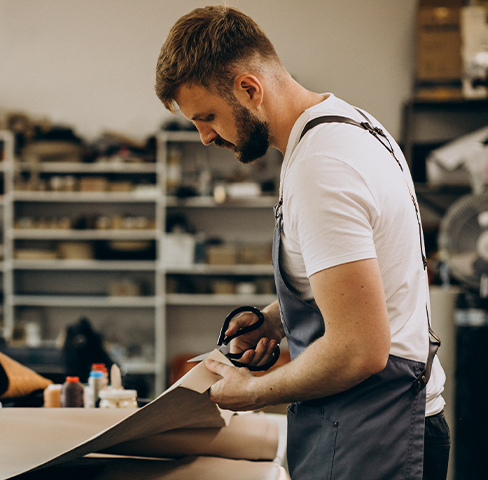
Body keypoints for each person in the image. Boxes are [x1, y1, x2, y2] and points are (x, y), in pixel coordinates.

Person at [155, 6, 449, 480]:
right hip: (368, 425)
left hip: (376, 437)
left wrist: (250, 393)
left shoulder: (322, 167)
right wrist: (274, 320)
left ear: (250, 89)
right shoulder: (347, 125)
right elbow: (362, 278)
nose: (205, 136)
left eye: (207, 117)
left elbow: (360, 350)